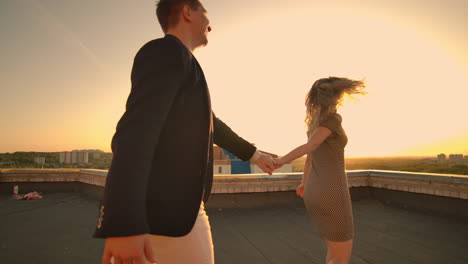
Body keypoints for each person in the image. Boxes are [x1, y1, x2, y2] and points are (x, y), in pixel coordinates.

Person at [93, 1, 276, 263]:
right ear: (187, 11)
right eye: (205, 14)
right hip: (164, 210)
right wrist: (123, 222)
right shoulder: (165, 51)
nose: (210, 25)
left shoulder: (183, 63)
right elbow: (135, 132)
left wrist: (255, 156)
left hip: (174, 211)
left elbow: (213, 125)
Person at [273, 77, 365, 264]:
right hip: (332, 191)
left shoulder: (313, 125)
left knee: (332, 252)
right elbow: (312, 147)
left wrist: (304, 184)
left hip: (313, 192)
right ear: (335, 97)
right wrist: (280, 161)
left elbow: (310, 158)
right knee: (341, 256)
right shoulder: (334, 119)